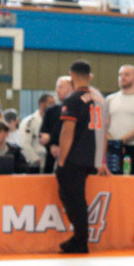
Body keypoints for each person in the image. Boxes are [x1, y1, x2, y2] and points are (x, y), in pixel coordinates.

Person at [55, 61, 110, 253]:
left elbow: (67, 132)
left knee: (74, 198)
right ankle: (79, 238)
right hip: (91, 156)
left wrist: (61, 160)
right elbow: (104, 131)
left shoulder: (72, 99)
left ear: (71, 75)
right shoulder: (100, 99)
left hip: (75, 156)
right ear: (90, 76)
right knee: (74, 196)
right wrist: (101, 160)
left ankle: (81, 240)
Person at [104, 64, 134, 173]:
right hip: (111, 147)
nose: (122, 77)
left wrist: (121, 142)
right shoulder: (109, 100)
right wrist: (114, 143)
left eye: (127, 74)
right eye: (120, 75)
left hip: (133, 147)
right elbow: (104, 125)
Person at [39, 76, 73, 173]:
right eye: (56, 88)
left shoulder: (78, 110)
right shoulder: (51, 111)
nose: (57, 91)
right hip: (51, 159)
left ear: (71, 88)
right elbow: (42, 135)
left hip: (72, 159)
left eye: (61, 87)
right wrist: (51, 145)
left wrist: (51, 139)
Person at [20, 93, 54, 173]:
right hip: (33, 164)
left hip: (50, 163)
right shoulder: (29, 122)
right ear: (42, 104)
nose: (53, 106)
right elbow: (24, 144)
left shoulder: (54, 122)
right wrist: (36, 160)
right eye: (51, 104)